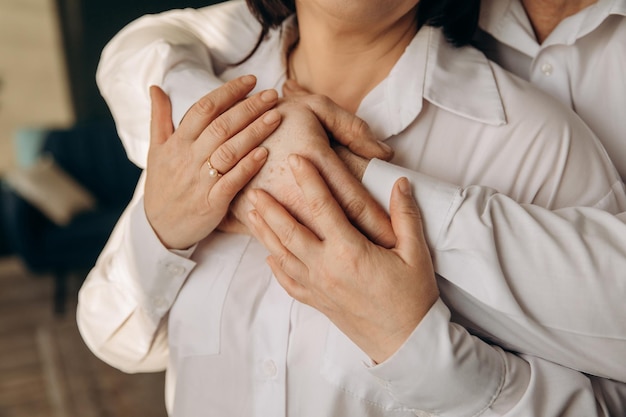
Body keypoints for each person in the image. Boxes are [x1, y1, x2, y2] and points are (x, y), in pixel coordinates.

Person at [78, 0, 626, 415]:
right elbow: (115, 332)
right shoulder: (208, 118)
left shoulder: (535, 142)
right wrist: (161, 230)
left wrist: (418, 349)